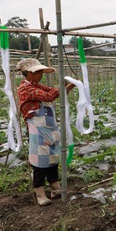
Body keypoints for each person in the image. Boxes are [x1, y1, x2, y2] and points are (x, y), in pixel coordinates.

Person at [16, 58, 75, 206]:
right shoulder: (25, 88)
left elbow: (53, 92)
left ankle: (55, 188)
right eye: (37, 72)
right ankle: (40, 194)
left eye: (41, 72)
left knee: (53, 158)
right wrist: (67, 86)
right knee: (39, 161)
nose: (40, 75)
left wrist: (69, 86)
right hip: (37, 129)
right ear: (27, 73)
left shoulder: (37, 85)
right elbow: (49, 96)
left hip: (49, 127)